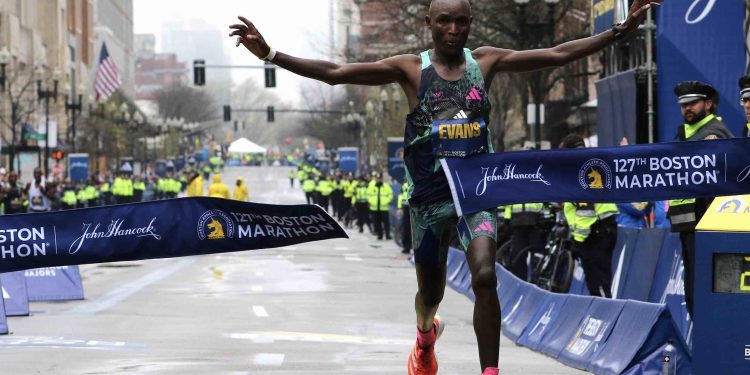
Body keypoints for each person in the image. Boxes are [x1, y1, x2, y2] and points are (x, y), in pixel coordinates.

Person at [230, 1, 655, 372]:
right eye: (445, 22)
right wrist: (270, 53)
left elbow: (559, 53)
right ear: (429, 23)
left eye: (462, 23)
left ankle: (490, 370)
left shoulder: (484, 63)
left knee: (485, 274)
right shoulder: (410, 69)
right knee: (429, 293)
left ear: (470, 24)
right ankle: (424, 336)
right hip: (430, 199)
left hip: (476, 191)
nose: (454, 30)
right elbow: (337, 73)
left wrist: (618, 31)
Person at [668, 81, 733, 317]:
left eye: (693, 103)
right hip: (689, 226)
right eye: (683, 105)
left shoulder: (713, 134)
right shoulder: (684, 135)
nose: (687, 108)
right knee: (693, 291)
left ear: (708, 104)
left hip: (707, 226)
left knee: (702, 291)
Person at [560, 134, 619, 298]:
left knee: (598, 283)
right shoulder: (590, 165)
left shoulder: (581, 171)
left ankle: (606, 317)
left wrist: (577, 241)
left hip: (595, 233)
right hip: (603, 229)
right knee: (600, 282)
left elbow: (586, 213)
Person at [367, 172, 394, 240]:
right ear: (375, 179)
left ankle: (387, 235)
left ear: (382, 179)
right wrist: (372, 202)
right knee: (377, 222)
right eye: (377, 178)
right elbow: (368, 195)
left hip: (384, 208)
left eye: (380, 179)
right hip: (375, 208)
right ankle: (380, 235)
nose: (378, 180)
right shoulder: (371, 186)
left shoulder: (386, 186)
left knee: (386, 222)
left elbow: (390, 194)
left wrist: (386, 201)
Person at [398, 182, 413, 254]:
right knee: (406, 228)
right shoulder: (404, 185)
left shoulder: (418, 182)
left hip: (416, 208)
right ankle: (407, 247)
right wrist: (399, 207)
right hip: (406, 208)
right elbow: (400, 196)